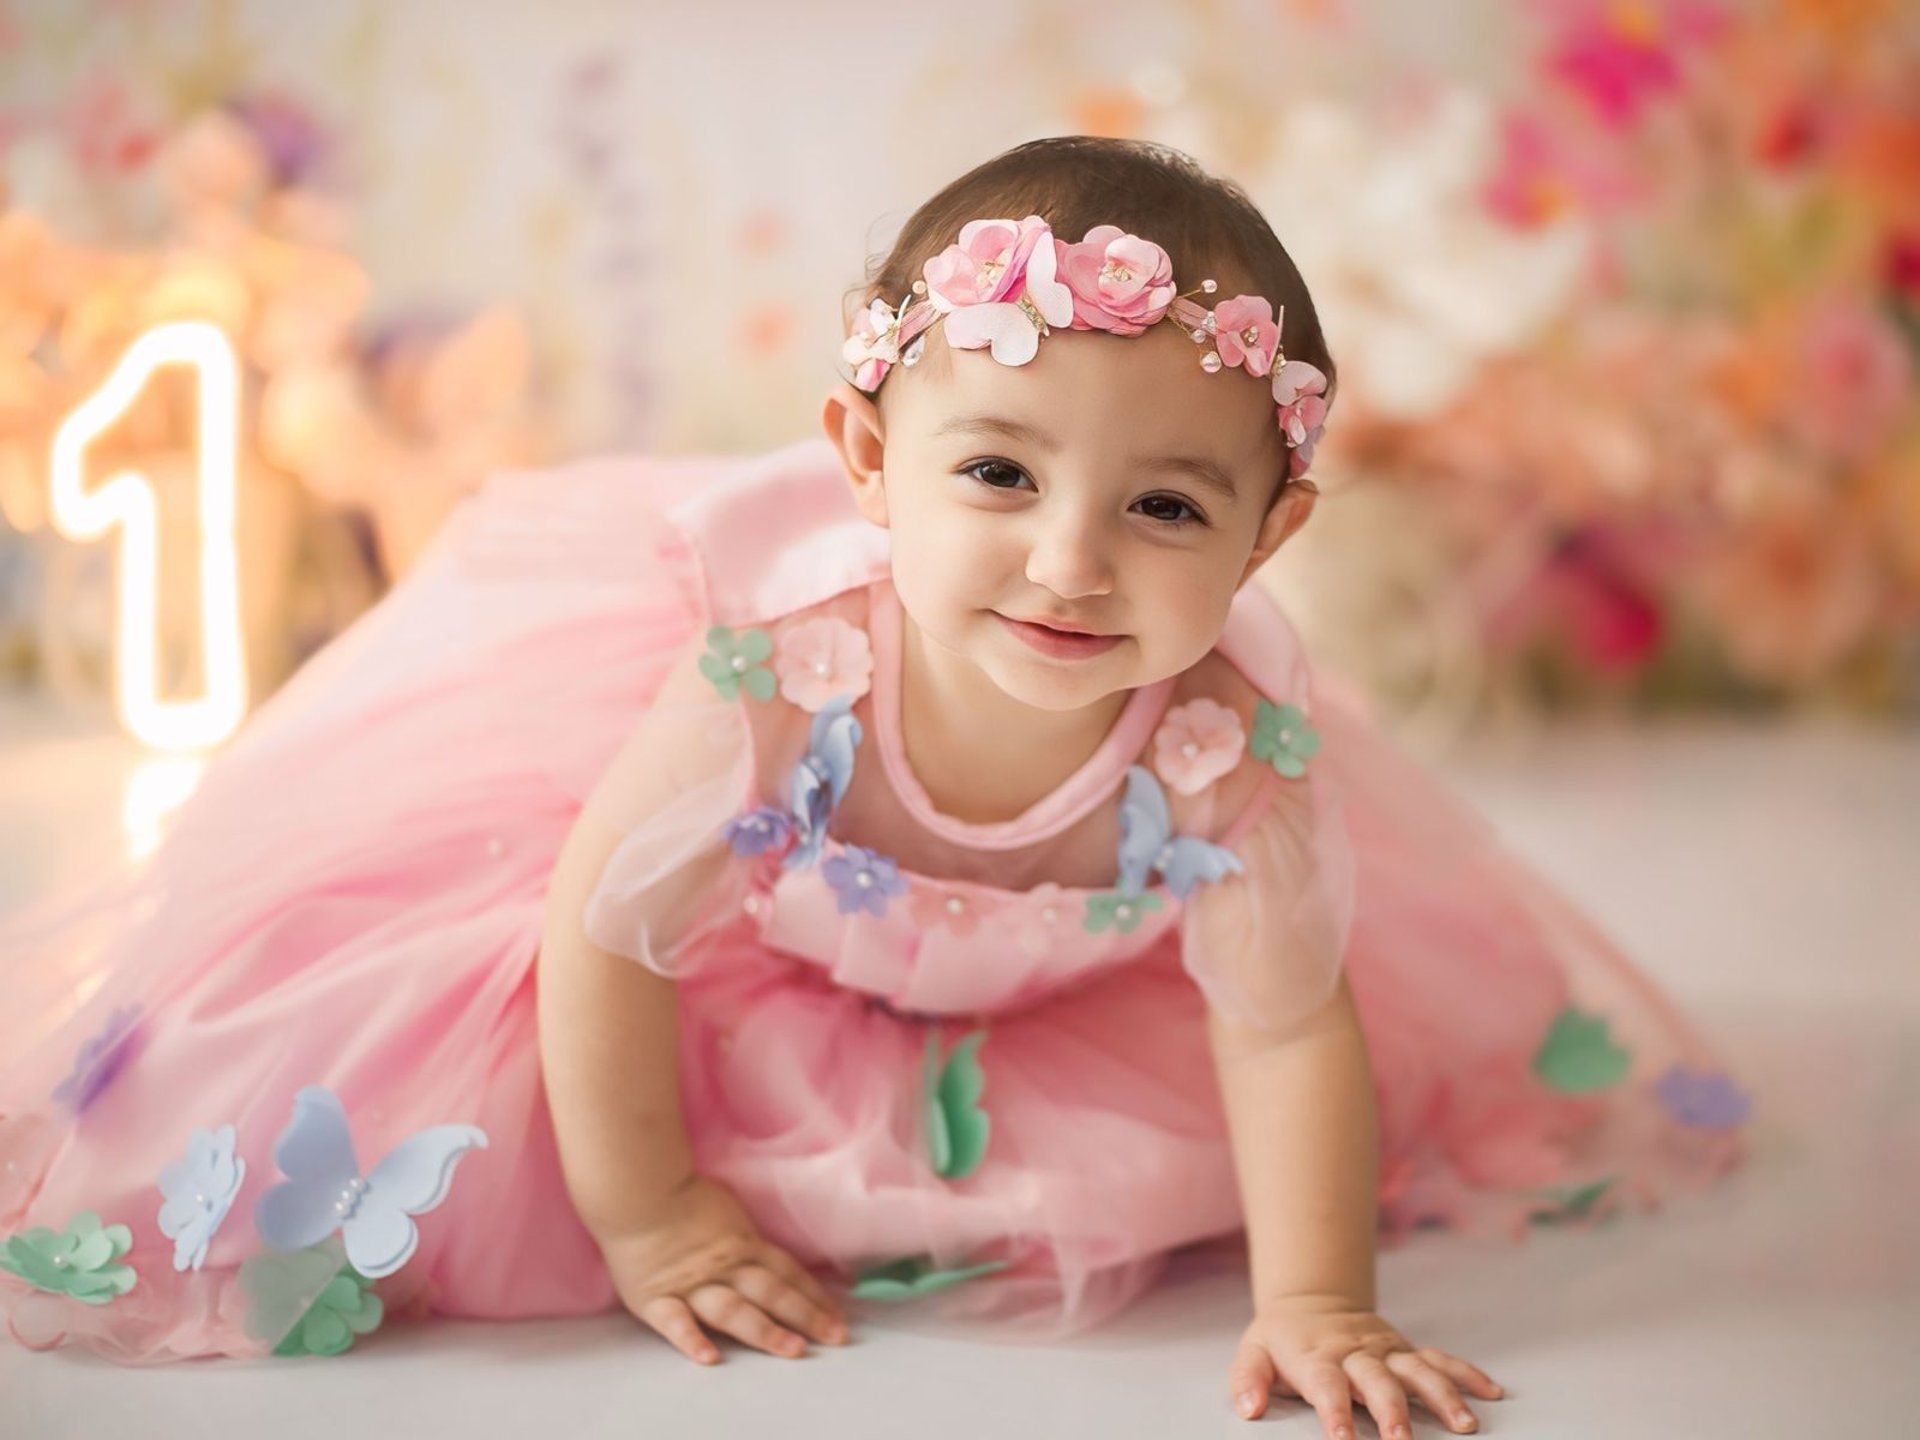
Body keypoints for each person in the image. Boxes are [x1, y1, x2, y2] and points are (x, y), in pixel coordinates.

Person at [0, 136, 1748, 1436]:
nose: (1068, 564)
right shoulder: (788, 669)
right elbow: (604, 938)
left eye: (1166, 510)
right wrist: (651, 1210)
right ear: (865, 463)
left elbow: (1286, 1032)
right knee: (419, 1094)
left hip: (1056, 988)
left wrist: (1317, 1300)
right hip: (767, 929)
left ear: (1270, 534)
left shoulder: (1230, 751)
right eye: (995, 470)